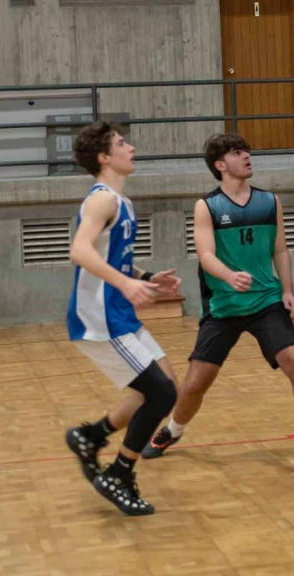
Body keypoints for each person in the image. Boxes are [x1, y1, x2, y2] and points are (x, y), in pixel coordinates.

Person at [141, 133, 294, 465]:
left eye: (247, 152)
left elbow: (280, 249)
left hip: (266, 301)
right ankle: (173, 430)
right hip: (224, 305)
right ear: (220, 165)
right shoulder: (207, 206)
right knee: (196, 382)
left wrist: (287, 291)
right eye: (237, 153)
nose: (246, 156)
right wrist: (229, 276)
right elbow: (205, 255)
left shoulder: (269, 201)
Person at [63, 121, 181, 516]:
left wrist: (145, 277)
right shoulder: (101, 200)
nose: (130, 147)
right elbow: (80, 251)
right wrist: (126, 285)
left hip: (118, 314)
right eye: (121, 143)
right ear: (104, 157)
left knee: (167, 387)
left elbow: (112, 257)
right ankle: (119, 473)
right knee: (160, 394)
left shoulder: (121, 201)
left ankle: (91, 435)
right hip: (100, 319)